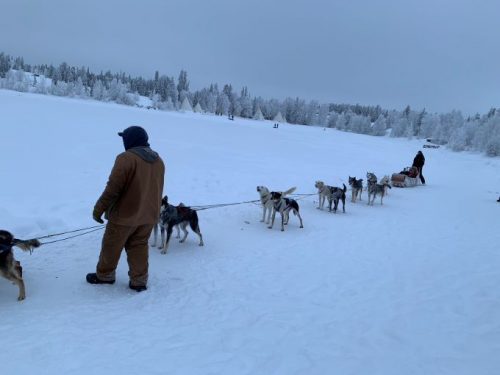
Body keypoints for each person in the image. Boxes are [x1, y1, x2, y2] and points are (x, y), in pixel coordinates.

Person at [86, 126, 165, 292]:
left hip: (125, 216)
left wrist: (98, 209)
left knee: (111, 245)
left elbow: (113, 188)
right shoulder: (159, 161)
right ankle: (139, 281)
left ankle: (105, 276)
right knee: (139, 246)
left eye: (124, 139)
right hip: (148, 216)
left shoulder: (126, 158)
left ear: (130, 140)